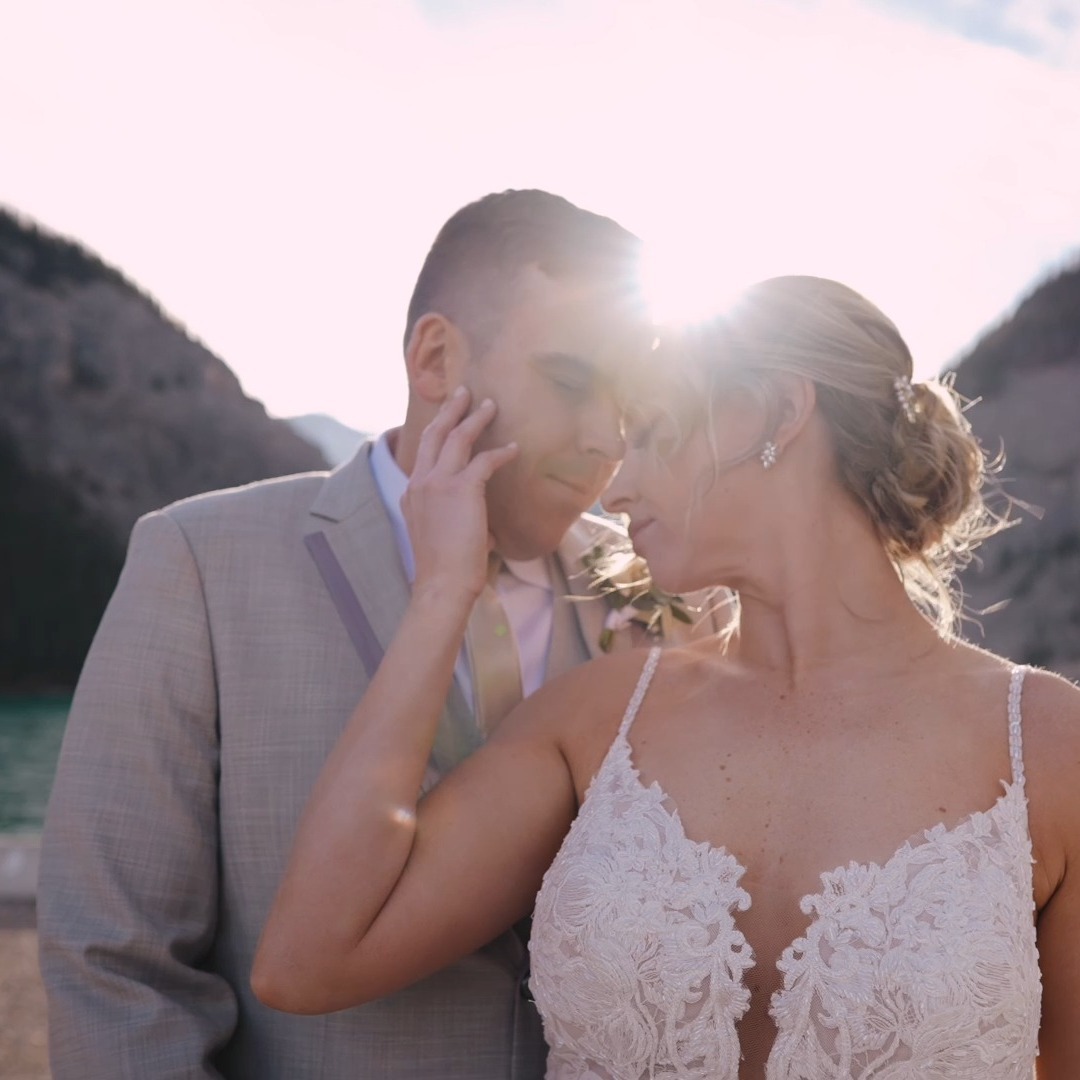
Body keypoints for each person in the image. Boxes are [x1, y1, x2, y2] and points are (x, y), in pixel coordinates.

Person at [253, 275, 1080, 1078]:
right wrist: (441, 593)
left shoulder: (1044, 743)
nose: (616, 490)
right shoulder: (595, 721)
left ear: (778, 411)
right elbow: (308, 961)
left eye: (650, 433)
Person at [38, 189, 701, 1079]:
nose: (605, 441)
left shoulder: (661, 595)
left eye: (627, 403)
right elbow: (114, 966)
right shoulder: (200, 563)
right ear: (435, 358)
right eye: (572, 382)